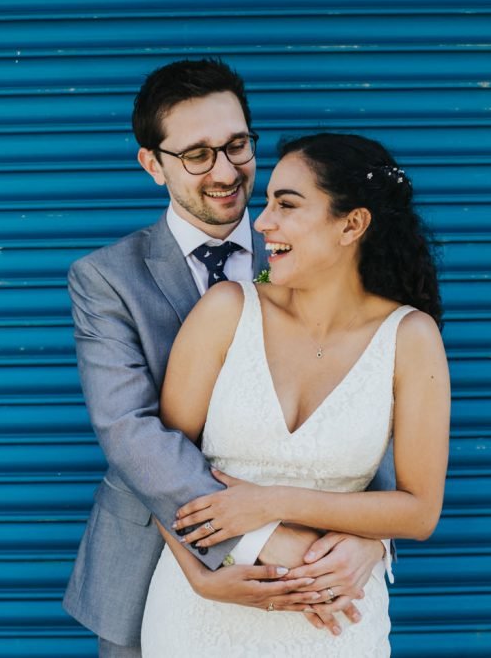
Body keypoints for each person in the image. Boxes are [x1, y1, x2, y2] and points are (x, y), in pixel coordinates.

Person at [62, 60, 397, 657]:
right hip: (152, 567)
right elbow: (130, 430)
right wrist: (253, 540)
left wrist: (374, 539)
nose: (225, 172)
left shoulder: (317, 248)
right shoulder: (106, 277)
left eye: (237, 145)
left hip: (322, 567)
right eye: (196, 155)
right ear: (151, 164)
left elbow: (371, 393)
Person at [139, 132, 450, 655]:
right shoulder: (226, 311)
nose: (261, 222)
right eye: (266, 202)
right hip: (201, 619)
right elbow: (157, 468)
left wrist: (271, 502)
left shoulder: (411, 338)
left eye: (286, 204)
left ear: (352, 224)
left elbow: (419, 511)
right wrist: (199, 574)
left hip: (333, 622)